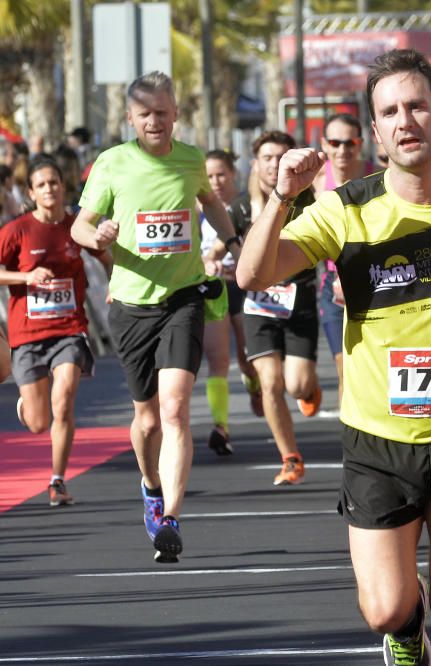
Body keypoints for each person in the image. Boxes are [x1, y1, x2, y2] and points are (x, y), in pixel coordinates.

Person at [236, 48, 431, 666]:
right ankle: (405, 634)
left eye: (417, 106)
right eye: (390, 111)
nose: (405, 120)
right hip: (380, 436)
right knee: (385, 608)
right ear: (376, 131)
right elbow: (253, 274)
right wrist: (282, 197)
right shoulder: (345, 207)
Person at [71, 71, 241, 563]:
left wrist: (232, 242)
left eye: (162, 113)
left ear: (176, 115)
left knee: (175, 410)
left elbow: (212, 203)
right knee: (146, 420)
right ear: (130, 118)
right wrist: (96, 235)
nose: (154, 121)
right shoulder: (112, 163)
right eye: (145, 113)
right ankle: (150, 485)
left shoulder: (190, 160)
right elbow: (80, 224)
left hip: (184, 299)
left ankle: (170, 516)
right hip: (130, 306)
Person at [0, 158, 104, 506]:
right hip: (28, 333)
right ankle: (28, 407)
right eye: (41, 184)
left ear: (64, 186)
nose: (49, 189)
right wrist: (25, 277)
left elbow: (107, 257)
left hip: (69, 329)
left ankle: (57, 480)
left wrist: (117, 283)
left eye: (54, 182)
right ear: (30, 192)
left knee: (65, 400)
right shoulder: (17, 231)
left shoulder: (76, 227)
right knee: (37, 422)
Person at [239, 130, 321, 485]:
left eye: (281, 157)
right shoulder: (240, 208)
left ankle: (309, 388)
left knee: (296, 386)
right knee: (269, 382)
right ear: (256, 164)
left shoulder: (307, 199)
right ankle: (290, 457)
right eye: (267, 158)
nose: (274, 164)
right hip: (258, 305)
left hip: (299, 299)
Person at [199, 149, 260, 455]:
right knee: (218, 360)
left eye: (221, 174)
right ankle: (220, 427)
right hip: (213, 290)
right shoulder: (195, 209)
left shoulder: (245, 207)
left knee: (247, 358)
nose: (215, 182)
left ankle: (254, 384)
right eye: (208, 177)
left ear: (233, 174)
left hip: (243, 288)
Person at [311, 113, 373, 410]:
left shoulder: (379, 176)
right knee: (345, 366)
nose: (342, 150)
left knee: (376, 368)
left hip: (378, 282)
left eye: (350, 142)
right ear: (324, 144)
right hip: (333, 287)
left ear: (361, 143)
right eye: (335, 142)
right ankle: (353, 445)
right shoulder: (316, 183)